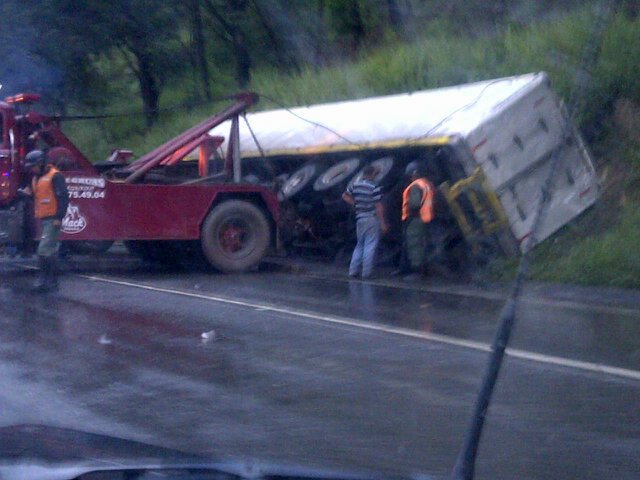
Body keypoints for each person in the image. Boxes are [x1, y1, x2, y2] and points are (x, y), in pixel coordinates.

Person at [21, 150, 69, 292]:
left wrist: (59, 217)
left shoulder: (55, 176)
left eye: (34, 166)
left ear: (41, 164)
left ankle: (45, 280)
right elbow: (38, 197)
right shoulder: (36, 178)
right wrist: (27, 194)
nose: (32, 169)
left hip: (52, 218)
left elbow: (63, 198)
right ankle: (50, 281)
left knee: (44, 250)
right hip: (44, 218)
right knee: (48, 250)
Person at [342, 165, 388, 279]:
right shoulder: (374, 187)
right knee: (370, 245)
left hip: (360, 218)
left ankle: (353, 271)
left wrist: (355, 204)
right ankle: (367, 273)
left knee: (359, 245)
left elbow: (344, 196)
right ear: (372, 174)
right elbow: (379, 206)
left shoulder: (355, 185)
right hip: (372, 218)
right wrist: (383, 223)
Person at [399, 161, 435, 279]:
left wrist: (409, 216)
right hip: (425, 218)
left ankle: (416, 271)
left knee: (414, 244)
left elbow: (414, 204)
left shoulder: (416, 186)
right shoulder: (427, 184)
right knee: (421, 243)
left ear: (414, 173)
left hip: (415, 219)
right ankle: (419, 269)